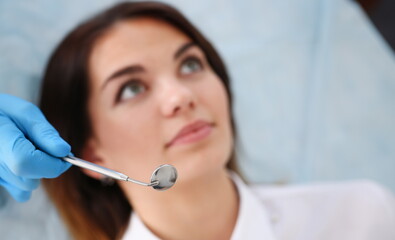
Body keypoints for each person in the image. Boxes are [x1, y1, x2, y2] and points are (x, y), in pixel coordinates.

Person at [0, 1, 394, 240]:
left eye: (191, 64)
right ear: (92, 155)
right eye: (131, 88)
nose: (181, 96)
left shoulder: (362, 215)